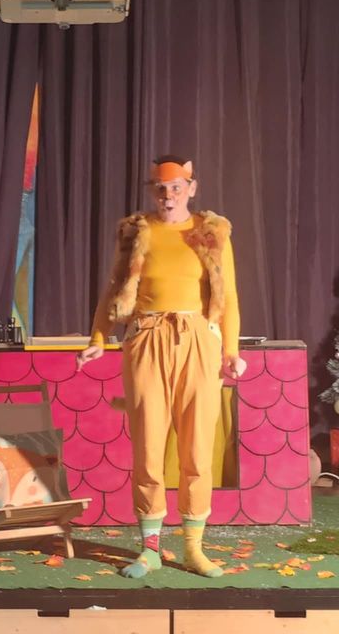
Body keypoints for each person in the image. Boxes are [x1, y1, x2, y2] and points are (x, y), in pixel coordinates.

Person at [76, 155, 244, 578]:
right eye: (161, 188)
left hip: (198, 341)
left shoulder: (212, 233)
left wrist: (231, 350)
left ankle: (192, 548)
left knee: (197, 450)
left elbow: (229, 297)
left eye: (176, 187)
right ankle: (150, 549)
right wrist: (98, 338)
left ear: (192, 188)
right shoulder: (138, 233)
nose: (168, 196)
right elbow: (113, 289)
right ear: (153, 191)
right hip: (147, 339)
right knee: (149, 449)